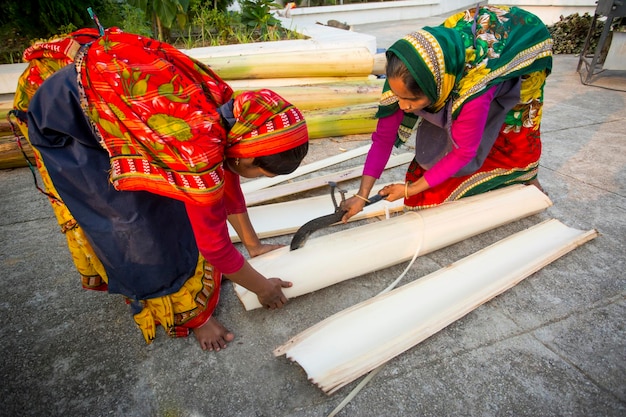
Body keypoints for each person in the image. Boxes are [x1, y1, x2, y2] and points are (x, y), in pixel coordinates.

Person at [24, 28, 309, 351]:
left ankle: (196, 280)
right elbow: (214, 246)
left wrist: (252, 245)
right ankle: (191, 316)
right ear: (246, 150)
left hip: (106, 99)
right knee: (133, 227)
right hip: (64, 122)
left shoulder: (236, 116)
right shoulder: (199, 153)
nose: (254, 177)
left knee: (175, 204)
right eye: (259, 170)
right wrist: (262, 287)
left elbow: (227, 184)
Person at [342, 5, 553, 221]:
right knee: (445, 150)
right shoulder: (401, 75)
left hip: (522, 42)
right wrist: (362, 195)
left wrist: (410, 190)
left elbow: (464, 152)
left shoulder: (473, 92)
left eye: (412, 100)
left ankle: (529, 178)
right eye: (400, 97)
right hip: (466, 45)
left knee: (517, 128)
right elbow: (383, 138)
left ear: (438, 87)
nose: (403, 106)